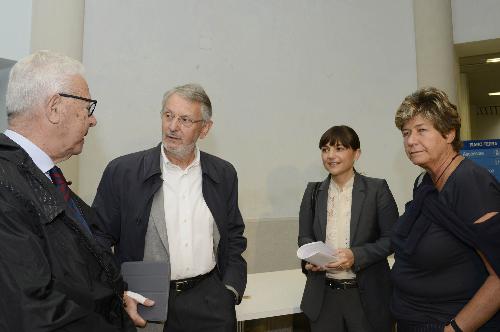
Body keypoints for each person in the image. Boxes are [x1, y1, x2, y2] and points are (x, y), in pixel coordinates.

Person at [92, 83, 247, 332]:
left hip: (211, 302)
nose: (173, 126)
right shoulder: (123, 172)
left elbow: (234, 236)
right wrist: (117, 291)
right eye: (168, 115)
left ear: (205, 129)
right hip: (146, 303)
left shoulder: (223, 173)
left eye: (185, 119)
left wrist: (230, 289)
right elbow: (96, 239)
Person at [0, 50, 135, 331]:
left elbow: (73, 271)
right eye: (88, 107)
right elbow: (34, 312)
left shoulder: (40, 176)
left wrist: (118, 299)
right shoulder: (5, 184)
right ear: (54, 107)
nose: (92, 119)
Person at [391, 87, 500, 332]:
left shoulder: (472, 184)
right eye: (406, 133)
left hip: (447, 323)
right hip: (413, 318)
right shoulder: (425, 182)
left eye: (421, 130)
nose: (410, 141)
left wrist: (455, 329)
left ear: (449, 133)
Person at [298, 125, 398, 332]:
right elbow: (305, 236)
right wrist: (312, 259)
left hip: (366, 298)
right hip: (323, 297)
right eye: (325, 149)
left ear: (356, 153)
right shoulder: (313, 191)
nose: (330, 156)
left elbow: (392, 239)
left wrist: (356, 255)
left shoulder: (377, 189)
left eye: (339, 148)